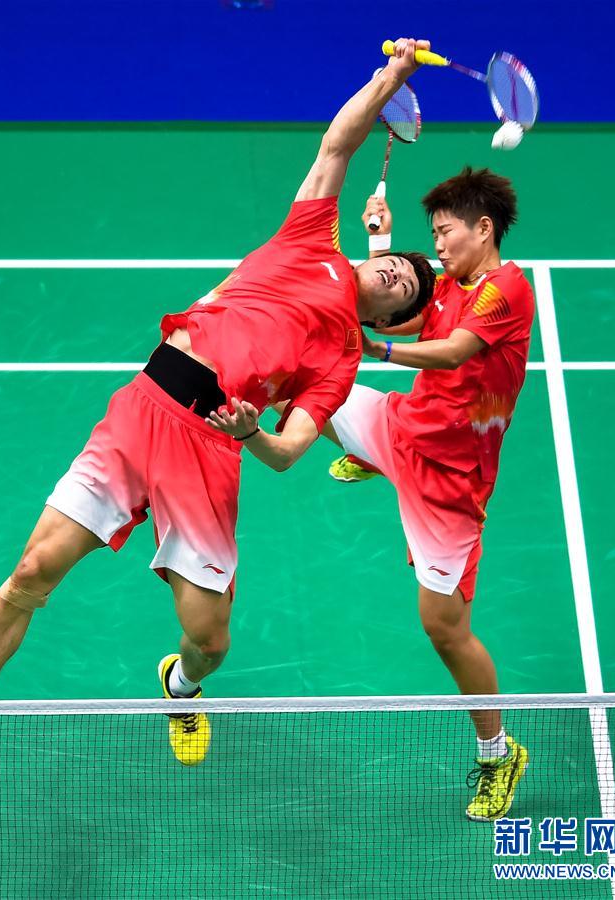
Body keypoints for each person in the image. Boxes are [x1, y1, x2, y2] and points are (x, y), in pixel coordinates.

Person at [0, 39, 435, 769]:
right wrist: (390, 76)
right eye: (398, 264)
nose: (397, 274)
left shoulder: (339, 360)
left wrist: (251, 432)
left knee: (210, 638)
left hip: (209, 447)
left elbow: (289, 452)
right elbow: (338, 144)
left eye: (407, 288)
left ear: (393, 319)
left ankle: (181, 686)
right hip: (143, 408)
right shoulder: (311, 241)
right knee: (33, 569)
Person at [212, 167, 533, 821]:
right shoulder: (450, 283)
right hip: (400, 427)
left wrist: (374, 349)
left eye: (444, 233)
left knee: (444, 629)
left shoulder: (506, 291)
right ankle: (369, 455)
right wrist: (380, 243)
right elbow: (406, 310)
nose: (437, 245)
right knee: (306, 388)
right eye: (433, 234)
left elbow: (452, 351)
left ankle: (499, 754)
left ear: (483, 229)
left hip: (449, 482)